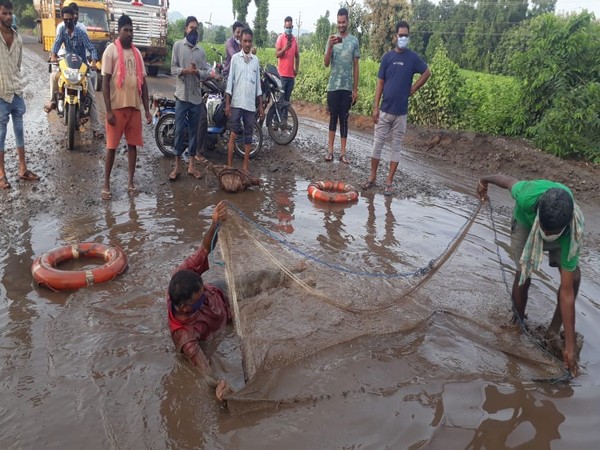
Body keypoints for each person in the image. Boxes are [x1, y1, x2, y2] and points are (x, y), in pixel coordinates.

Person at [477, 175, 584, 376]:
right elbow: (508, 181)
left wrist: (569, 345)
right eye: (544, 228)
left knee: (574, 278)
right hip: (526, 225)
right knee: (523, 274)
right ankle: (517, 324)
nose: (545, 233)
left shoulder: (572, 227)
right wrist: (484, 180)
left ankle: (552, 332)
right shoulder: (527, 197)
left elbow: (567, 292)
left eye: (549, 231)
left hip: (562, 232)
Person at [167, 200, 232, 401]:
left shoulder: (182, 274)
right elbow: (204, 369)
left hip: (221, 292)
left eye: (202, 288)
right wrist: (217, 386)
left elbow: (204, 248)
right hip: (224, 318)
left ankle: (292, 273)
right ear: (186, 308)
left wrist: (214, 223)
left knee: (258, 280)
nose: (203, 294)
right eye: (199, 297)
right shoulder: (185, 336)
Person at [362, 20, 430, 196]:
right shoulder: (387, 58)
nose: (403, 38)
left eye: (406, 36)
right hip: (384, 111)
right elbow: (380, 83)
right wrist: (375, 107)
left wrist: (413, 89)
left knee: (396, 148)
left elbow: (427, 72)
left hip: (401, 114)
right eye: (401, 35)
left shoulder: (413, 58)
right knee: (377, 145)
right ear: (395, 37)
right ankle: (372, 177)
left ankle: (389, 182)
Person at [101, 14, 152, 200]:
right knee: (111, 147)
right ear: (118, 31)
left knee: (133, 146)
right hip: (116, 109)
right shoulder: (110, 51)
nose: (130, 34)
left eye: (131, 30)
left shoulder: (137, 53)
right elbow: (105, 82)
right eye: (126, 30)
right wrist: (108, 111)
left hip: (134, 108)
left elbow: (144, 84)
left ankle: (130, 182)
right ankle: (106, 184)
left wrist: (146, 109)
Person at [169, 16, 219, 182]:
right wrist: (185, 71)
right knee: (178, 131)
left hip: (196, 98)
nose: (194, 31)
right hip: (182, 96)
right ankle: (177, 167)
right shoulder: (177, 46)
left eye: (196, 28)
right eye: (191, 27)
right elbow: (173, 69)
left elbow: (206, 73)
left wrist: (197, 72)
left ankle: (191, 166)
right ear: (185, 29)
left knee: (193, 133)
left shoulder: (201, 51)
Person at [0, 0, 39, 189]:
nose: (8, 17)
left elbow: (18, 65)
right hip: (0, 93)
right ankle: (1, 173)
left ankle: (22, 168)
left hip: (16, 91)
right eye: (4, 13)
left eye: (10, 13)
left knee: (19, 129)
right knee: (0, 133)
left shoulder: (18, 39)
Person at [53, 2, 103, 140]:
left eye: (70, 19)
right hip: (68, 66)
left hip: (81, 67)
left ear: (74, 18)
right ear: (63, 19)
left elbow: (91, 48)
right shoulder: (62, 30)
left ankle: (96, 129)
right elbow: (56, 44)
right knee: (55, 78)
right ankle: (53, 101)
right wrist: (53, 55)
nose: (68, 21)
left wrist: (93, 61)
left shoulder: (81, 32)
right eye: (65, 19)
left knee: (91, 96)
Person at [323, 7, 359, 164]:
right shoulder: (331, 40)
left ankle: (343, 154)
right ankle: (330, 151)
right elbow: (325, 63)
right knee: (333, 118)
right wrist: (330, 47)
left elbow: (356, 66)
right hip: (333, 86)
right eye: (339, 22)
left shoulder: (354, 41)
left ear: (348, 22)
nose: (341, 25)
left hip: (346, 87)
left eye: (343, 22)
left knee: (344, 119)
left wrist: (355, 89)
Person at [224, 27, 263, 172]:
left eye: (249, 41)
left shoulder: (255, 61)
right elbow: (230, 83)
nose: (247, 44)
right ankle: (229, 166)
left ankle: (245, 167)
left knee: (248, 136)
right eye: (245, 41)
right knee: (233, 133)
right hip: (236, 103)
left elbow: (258, 85)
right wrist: (227, 104)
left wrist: (260, 106)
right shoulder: (235, 59)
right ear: (240, 42)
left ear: (252, 43)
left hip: (250, 106)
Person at [275, 16, 299, 126]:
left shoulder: (294, 40)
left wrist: (296, 69)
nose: (288, 29)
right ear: (284, 26)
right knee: (280, 100)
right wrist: (285, 48)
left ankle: (283, 122)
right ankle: (276, 121)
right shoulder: (280, 38)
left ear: (292, 27)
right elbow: (277, 54)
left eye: (290, 27)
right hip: (282, 76)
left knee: (287, 101)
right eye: (286, 27)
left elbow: (297, 56)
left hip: (291, 76)